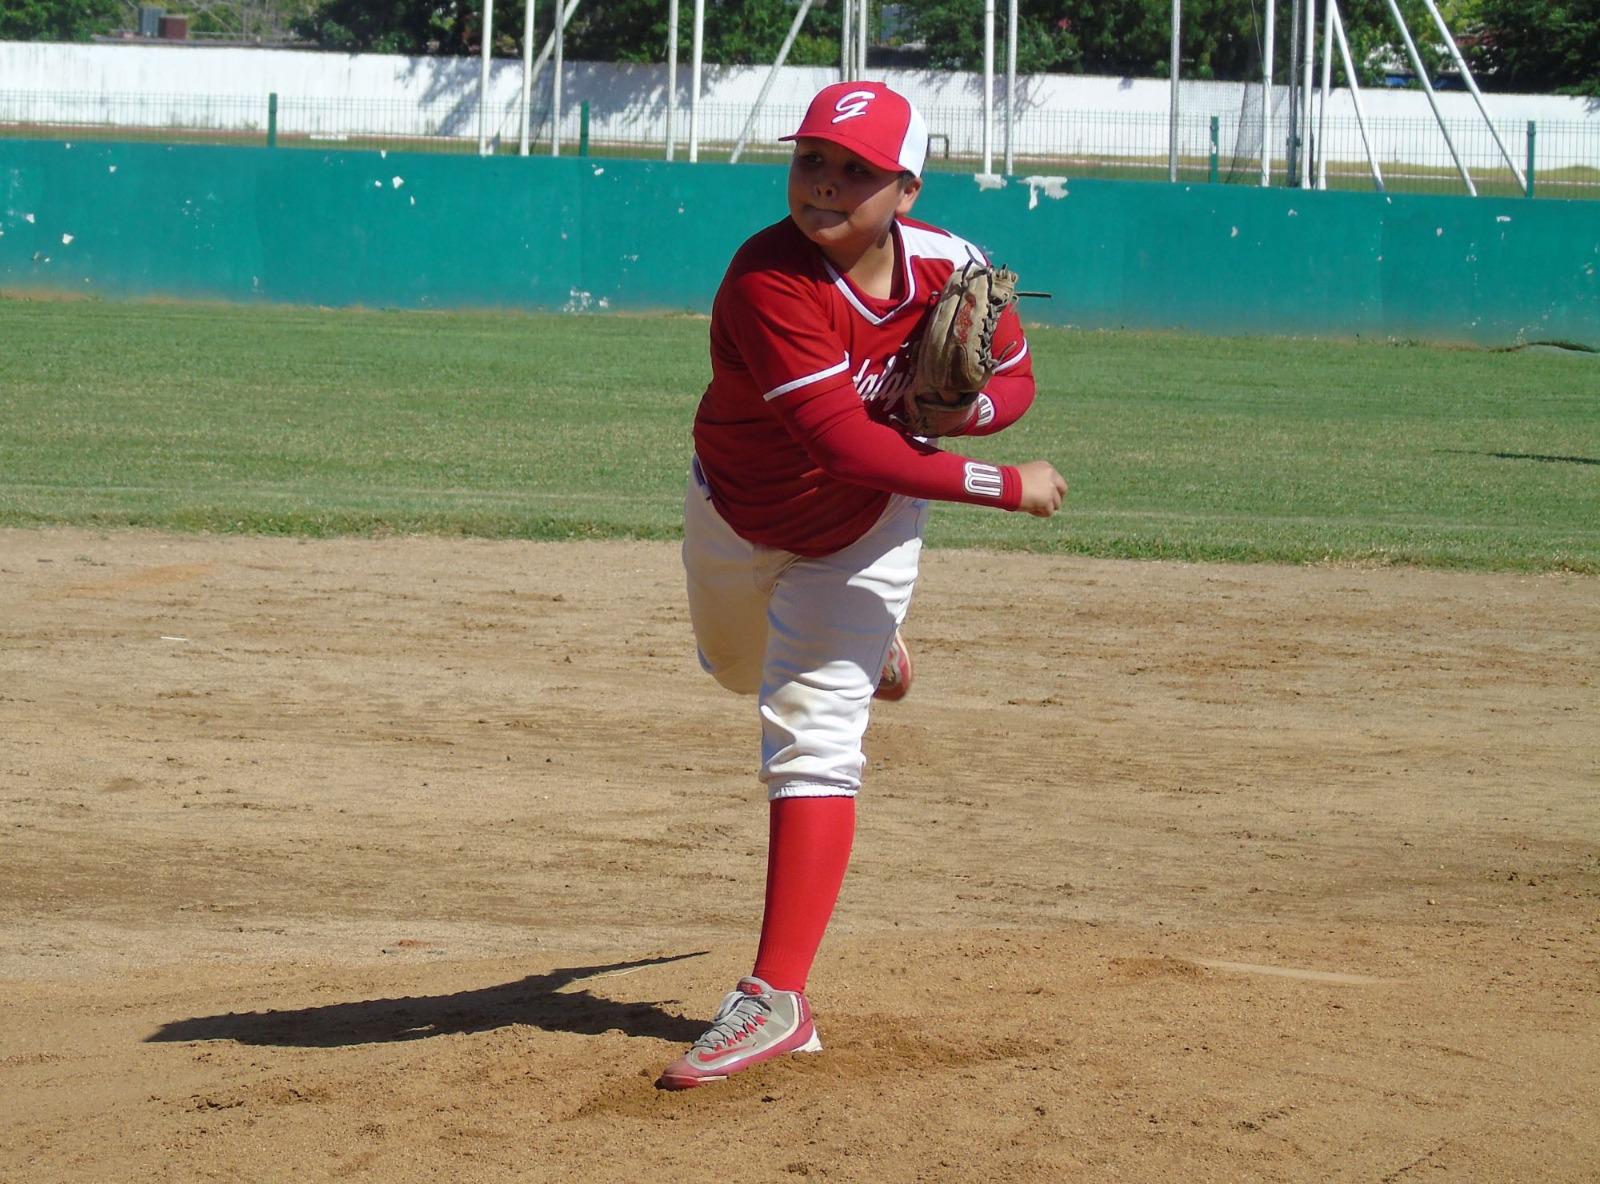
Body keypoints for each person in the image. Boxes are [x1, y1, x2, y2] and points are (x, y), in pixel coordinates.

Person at [658, 80, 1067, 1090]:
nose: (825, 183)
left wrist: (961, 413)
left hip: (863, 534)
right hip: (735, 511)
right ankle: (866, 644)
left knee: (811, 729)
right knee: (735, 668)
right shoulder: (767, 279)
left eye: (857, 170)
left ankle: (777, 998)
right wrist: (1001, 483)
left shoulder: (950, 265)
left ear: (907, 188)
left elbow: (1015, 380)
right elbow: (842, 443)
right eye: (811, 160)